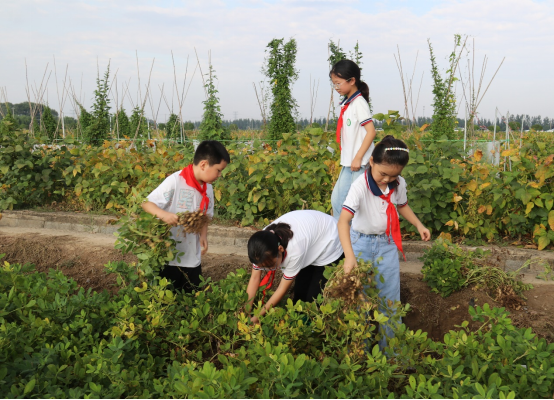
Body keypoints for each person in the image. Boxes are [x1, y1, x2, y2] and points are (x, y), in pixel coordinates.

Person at [337, 135, 431, 349]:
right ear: (371, 162)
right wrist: (350, 257)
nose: (387, 180)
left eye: (394, 175)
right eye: (383, 174)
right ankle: (361, 352)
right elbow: (343, 222)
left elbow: (402, 205)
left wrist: (419, 225)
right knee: (360, 300)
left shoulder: (398, 184)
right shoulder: (360, 186)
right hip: (360, 244)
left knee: (390, 301)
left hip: (387, 246)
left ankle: (390, 357)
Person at [142, 140, 230, 293]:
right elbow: (146, 203)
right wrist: (163, 215)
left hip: (191, 257)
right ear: (203, 164)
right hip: (168, 255)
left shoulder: (208, 188)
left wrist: (203, 235)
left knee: (192, 296)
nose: (219, 175)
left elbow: (205, 215)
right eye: (218, 170)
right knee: (167, 298)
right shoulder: (176, 181)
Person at [246, 210, 344, 323]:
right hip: (312, 238)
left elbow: (282, 288)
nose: (268, 270)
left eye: (271, 266)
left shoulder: (295, 250)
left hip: (331, 240)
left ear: (280, 249)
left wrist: (258, 316)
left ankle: (311, 329)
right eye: (264, 268)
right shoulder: (259, 249)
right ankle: (299, 322)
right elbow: (254, 278)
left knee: (313, 299)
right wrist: (246, 312)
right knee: (300, 292)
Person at [330, 59, 377, 221]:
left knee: (348, 204)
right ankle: (343, 241)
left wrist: (358, 157)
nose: (336, 88)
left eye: (338, 83)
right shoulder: (348, 103)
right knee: (339, 202)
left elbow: (371, 132)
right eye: (333, 84)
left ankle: (349, 242)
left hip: (358, 163)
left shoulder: (359, 103)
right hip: (349, 163)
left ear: (351, 81)